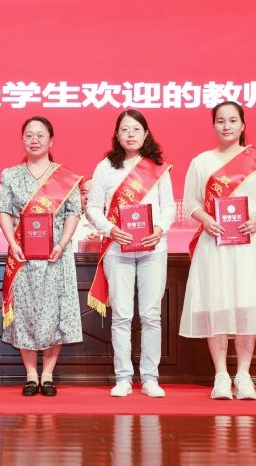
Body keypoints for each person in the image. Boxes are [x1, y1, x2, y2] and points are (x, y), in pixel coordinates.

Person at [179, 101, 256, 400]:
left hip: (247, 245)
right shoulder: (201, 162)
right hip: (214, 243)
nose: (226, 126)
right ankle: (221, 375)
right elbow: (191, 203)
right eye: (221, 121)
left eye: (233, 120)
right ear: (213, 125)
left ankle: (244, 375)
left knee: (246, 305)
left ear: (242, 125)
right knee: (217, 305)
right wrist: (206, 220)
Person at [86, 109, 176, 398]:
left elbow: (169, 207)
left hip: (153, 249)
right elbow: (93, 208)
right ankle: (123, 377)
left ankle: (150, 378)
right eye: (124, 129)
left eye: (136, 129)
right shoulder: (105, 167)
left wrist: (160, 228)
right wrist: (110, 229)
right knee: (122, 316)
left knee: (151, 315)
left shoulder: (157, 167)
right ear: (116, 134)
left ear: (146, 133)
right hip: (117, 250)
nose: (130, 134)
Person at [0, 116, 83, 397]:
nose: (34, 140)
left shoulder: (66, 177)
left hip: (55, 254)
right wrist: (12, 243)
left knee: (55, 311)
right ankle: (30, 375)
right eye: (29, 135)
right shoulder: (10, 174)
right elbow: (4, 211)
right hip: (22, 254)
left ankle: (47, 374)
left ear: (51, 140)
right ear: (22, 139)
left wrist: (63, 242)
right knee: (24, 311)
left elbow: (73, 212)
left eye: (40, 135)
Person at [71, 178, 101, 252]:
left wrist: (100, 247)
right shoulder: (72, 225)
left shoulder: (114, 225)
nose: (87, 197)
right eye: (84, 193)